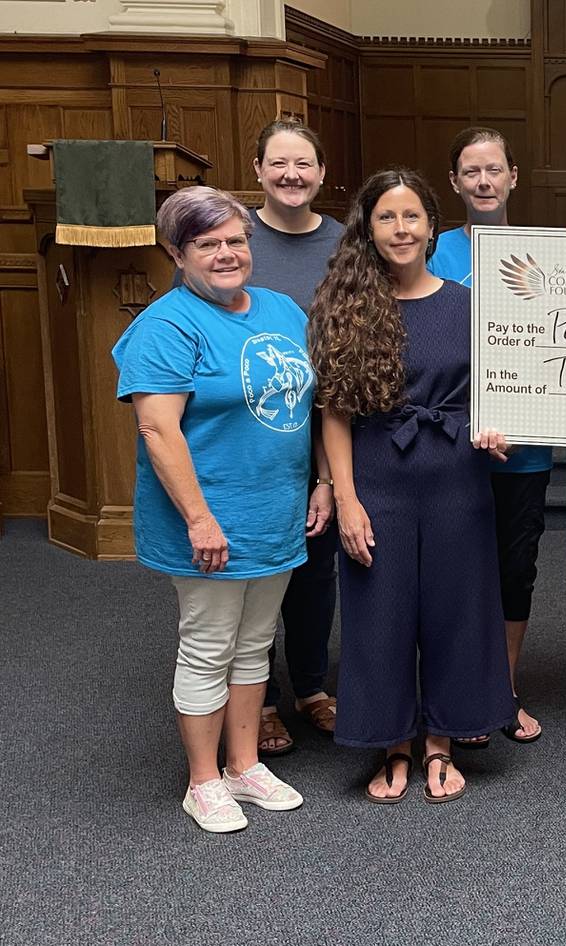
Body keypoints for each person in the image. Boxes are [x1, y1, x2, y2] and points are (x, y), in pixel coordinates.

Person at [310, 167, 515, 804]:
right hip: (378, 477)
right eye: (386, 218)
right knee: (381, 610)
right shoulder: (349, 306)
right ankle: (393, 742)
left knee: (456, 607)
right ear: (367, 231)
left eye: (412, 217)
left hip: (457, 475)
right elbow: (335, 411)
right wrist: (346, 498)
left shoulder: (470, 303)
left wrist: (496, 426)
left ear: (432, 225)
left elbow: (501, 388)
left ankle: (442, 744)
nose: (401, 229)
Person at [113, 186, 309, 832]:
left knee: (255, 646)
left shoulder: (281, 309)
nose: (227, 254)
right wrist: (199, 518)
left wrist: (325, 482)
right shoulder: (165, 326)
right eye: (208, 244)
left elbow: (307, 406)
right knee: (207, 647)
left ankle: (243, 765)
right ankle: (202, 781)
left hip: (273, 511)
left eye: (236, 241)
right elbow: (159, 431)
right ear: (176, 251)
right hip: (208, 522)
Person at [429, 126, 549, 744]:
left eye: (494, 170)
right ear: (455, 183)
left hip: (522, 448)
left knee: (513, 569)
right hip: (447, 444)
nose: (483, 181)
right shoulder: (433, 250)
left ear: (513, 178)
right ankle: (454, 688)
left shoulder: (546, 251)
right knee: (454, 567)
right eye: (471, 172)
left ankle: (500, 690)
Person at [246, 119, 344, 755]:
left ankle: (311, 686)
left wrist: (332, 474)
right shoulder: (231, 238)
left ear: (321, 174)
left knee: (315, 568)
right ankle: (263, 701)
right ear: (257, 169)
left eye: (303, 164)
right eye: (278, 164)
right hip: (249, 437)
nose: (291, 176)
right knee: (255, 573)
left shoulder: (339, 241)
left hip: (322, 431)